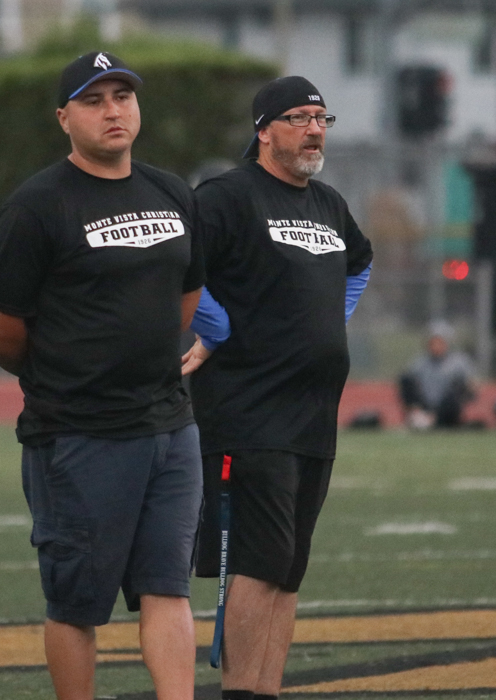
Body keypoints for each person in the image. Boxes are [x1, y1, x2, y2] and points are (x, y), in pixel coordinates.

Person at [0, 51, 205, 700]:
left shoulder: (170, 192)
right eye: (95, 100)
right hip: (80, 434)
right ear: (64, 117)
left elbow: (183, 297)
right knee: (77, 602)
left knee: (168, 587)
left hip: (169, 426)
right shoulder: (36, 206)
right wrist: (65, 372)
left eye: (123, 96)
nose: (113, 110)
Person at [183, 76, 373, 700]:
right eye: (300, 117)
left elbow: (359, 261)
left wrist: (328, 321)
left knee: (289, 573)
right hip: (247, 409)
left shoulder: (328, 203)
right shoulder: (228, 197)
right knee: (257, 565)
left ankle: (266, 691)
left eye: (322, 117)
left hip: (313, 413)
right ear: (264, 128)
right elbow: (178, 263)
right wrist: (214, 327)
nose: (315, 128)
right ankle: (239, 691)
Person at [399, 320, 477, 429]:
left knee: (457, 388)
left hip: (448, 408)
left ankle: (431, 420)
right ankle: (418, 417)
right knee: (406, 379)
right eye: (433, 343)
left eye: (440, 342)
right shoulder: (419, 363)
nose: (436, 346)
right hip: (426, 405)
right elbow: (409, 387)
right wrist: (415, 407)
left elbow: (471, 390)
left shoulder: (459, 362)